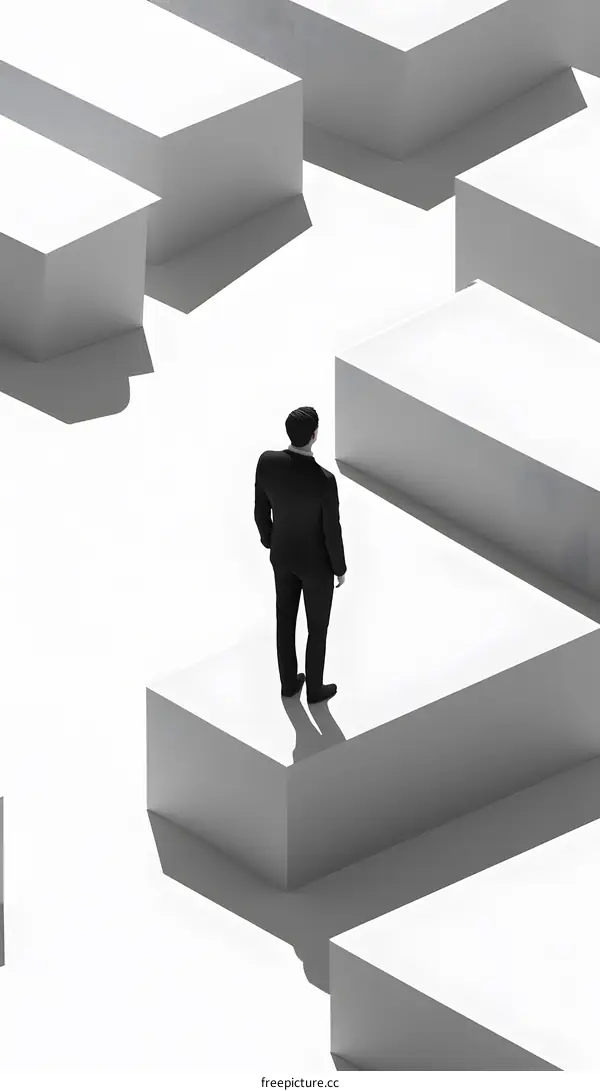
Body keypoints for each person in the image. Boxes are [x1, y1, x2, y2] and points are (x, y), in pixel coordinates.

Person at [254, 406, 346, 704]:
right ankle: (315, 690)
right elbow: (332, 530)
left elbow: (260, 509)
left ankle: (288, 684)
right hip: (316, 565)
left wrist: (270, 540)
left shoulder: (267, 462)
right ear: (315, 436)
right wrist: (339, 568)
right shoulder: (324, 480)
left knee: (285, 620)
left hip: (282, 556)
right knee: (317, 627)